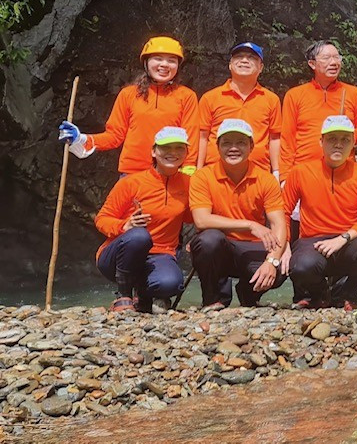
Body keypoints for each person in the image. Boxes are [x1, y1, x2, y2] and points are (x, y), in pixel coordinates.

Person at [188, 119, 289, 309]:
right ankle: (212, 299)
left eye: (240, 143)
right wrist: (250, 225)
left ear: (251, 146)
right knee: (209, 240)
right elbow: (201, 220)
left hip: (251, 247)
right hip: (220, 247)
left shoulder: (266, 179)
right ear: (217, 147)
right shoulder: (202, 177)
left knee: (281, 265)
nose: (233, 148)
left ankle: (248, 292)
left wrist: (272, 260)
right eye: (227, 143)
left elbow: (278, 224)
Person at [60, 36, 198, 175]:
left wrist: (188, 167)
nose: (165, 64)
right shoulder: (128, 94)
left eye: (171, 60)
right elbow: (114, 136)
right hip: (132, 173)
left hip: (170, 174)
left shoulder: (186, 96)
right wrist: (83, 139)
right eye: (158, 58)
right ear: (146, 62)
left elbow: (190, 136)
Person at [283, 115, 357, 309]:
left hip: (348, 240)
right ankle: (320, 294)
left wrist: (343, 238)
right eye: (332, 139)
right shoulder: (300, 172)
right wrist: (284, 245)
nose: (338, 145)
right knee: (301, 266)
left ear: (353, 143)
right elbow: (283, 211)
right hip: (313, 240)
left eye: (345, 140)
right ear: (321, 142)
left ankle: (348, 294)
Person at [93, 126, 192, 313]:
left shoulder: (189, 184)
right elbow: (102, 219)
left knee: (171, 284)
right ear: (154, 151)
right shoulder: (132, 183)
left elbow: (194, 215)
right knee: (139, 236)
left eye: (179, 148)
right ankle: (123, 295)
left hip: (160, 254)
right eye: (166, 147)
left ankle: (143, 296)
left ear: (186, 153)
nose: (173, 153)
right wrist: (124, 226)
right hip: (119, 254)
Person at [280, 40, 357, 181]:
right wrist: (284, 176)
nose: (334, 62)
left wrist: (346, 133)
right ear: (312, 64)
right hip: (305, 171)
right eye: (327, 58)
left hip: (343, 172)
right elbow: (287, 139)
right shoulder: (295, 95)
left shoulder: (354, 94)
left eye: (337, 57)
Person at [194, 42, 281, 176]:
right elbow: (202, 137)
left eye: (252, 57)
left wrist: (276, 172)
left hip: (258, 174)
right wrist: (199, 170)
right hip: (215, 173)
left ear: (261, 67)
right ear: (230, 65)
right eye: (239, 57)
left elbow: (274, 138)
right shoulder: (210, 98)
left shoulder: (271, 99)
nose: (244, 60)